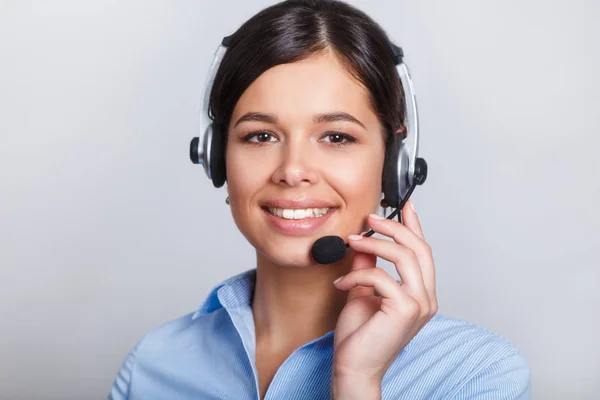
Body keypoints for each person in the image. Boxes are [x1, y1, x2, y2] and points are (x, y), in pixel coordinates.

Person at [108, 1, 530, 399]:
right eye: (260, 135)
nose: (293, 170)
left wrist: (357, 382)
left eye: (336, 137)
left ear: (394, 165)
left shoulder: (475, 373)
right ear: (215, 156)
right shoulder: (154, 364)